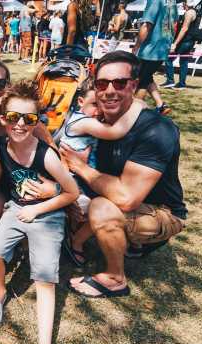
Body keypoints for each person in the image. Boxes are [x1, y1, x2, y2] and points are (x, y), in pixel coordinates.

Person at [59, 50, 186, 298]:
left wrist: (81, 168)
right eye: (102, 84)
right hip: (117, 194)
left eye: (119, 83)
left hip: (160, 211)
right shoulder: (98, 124)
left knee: (101, 209)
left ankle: (115, 278)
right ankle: (119, 243)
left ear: (134, 86)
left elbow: (127, 198)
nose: (109, 90)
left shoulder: (156, 130)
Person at [0, 80, 79, 344]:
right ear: (3, 119)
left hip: (47, 215)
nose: (20, 124)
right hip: (15, 209)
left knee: (44, 279)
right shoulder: (1, 152)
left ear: (37, 121)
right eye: (13, 117)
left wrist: (39, 210)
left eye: (28, 118)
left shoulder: (46, 155)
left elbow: (72, 192)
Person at [58, 79, 147, 266]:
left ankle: (83, 234)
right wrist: (137, 105)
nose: (98, 110)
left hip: (85, 175)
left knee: (113, 198)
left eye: (101, 105)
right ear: (81, 102)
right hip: (74, 179)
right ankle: (76, 240)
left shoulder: (90, 118)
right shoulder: (82, 122)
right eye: (94, 104)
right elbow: (116, 131)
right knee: (102, 205)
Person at [0, 60, 58, 232]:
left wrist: (56, 188)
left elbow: (57, 160)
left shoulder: (27, 122)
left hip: (23, 192)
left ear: (8, 85)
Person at [133, 0, 178, 115]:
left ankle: (135, 112)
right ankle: (161, 105)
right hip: (162, 47)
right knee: (147, 76)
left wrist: (136, 46)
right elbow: (174, 24)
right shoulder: (171, 1)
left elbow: (147, 25)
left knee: (141, 81)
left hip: (150, 49)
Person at [162, 0, 198, 90]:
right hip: (189, 41)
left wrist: (175, 43)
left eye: (184, 3)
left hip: (184, 41)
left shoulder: (189, 13)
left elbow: (184, 29)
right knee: (184, 62)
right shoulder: (194, 12)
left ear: (187, 3)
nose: (182, 4)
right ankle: (182, 84)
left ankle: (170, 81)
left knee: (168, 59)